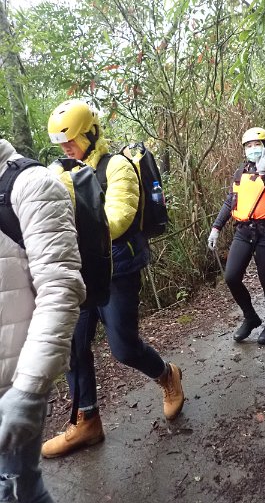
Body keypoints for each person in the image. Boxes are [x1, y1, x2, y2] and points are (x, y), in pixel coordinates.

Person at [42, 100, 184, 458]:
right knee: (73, 346)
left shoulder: (117, 166)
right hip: (77, 271)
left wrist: (65, 228)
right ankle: (87, 420)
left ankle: (167, 375)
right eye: (61, 143)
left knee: (123, 348)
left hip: (116, 270)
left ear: (90, 133)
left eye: (71, 140)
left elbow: (117, 220)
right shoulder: (60, 171)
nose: (66, 147)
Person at [0, 138, 84, 503]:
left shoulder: (31, 184)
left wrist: (29, 391)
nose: (66, 147)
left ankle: (89, 419)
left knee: (19, 490)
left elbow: (60, 286)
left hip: (13, 382)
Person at [208, 127, 265, 345]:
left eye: (257, 145)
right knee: (231, 277)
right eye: (249, 146)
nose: (253, 149)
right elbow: (230, 201)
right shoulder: (240, 172)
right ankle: (251, 317)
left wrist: (264, 173)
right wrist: (216, 227)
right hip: (244, 231)